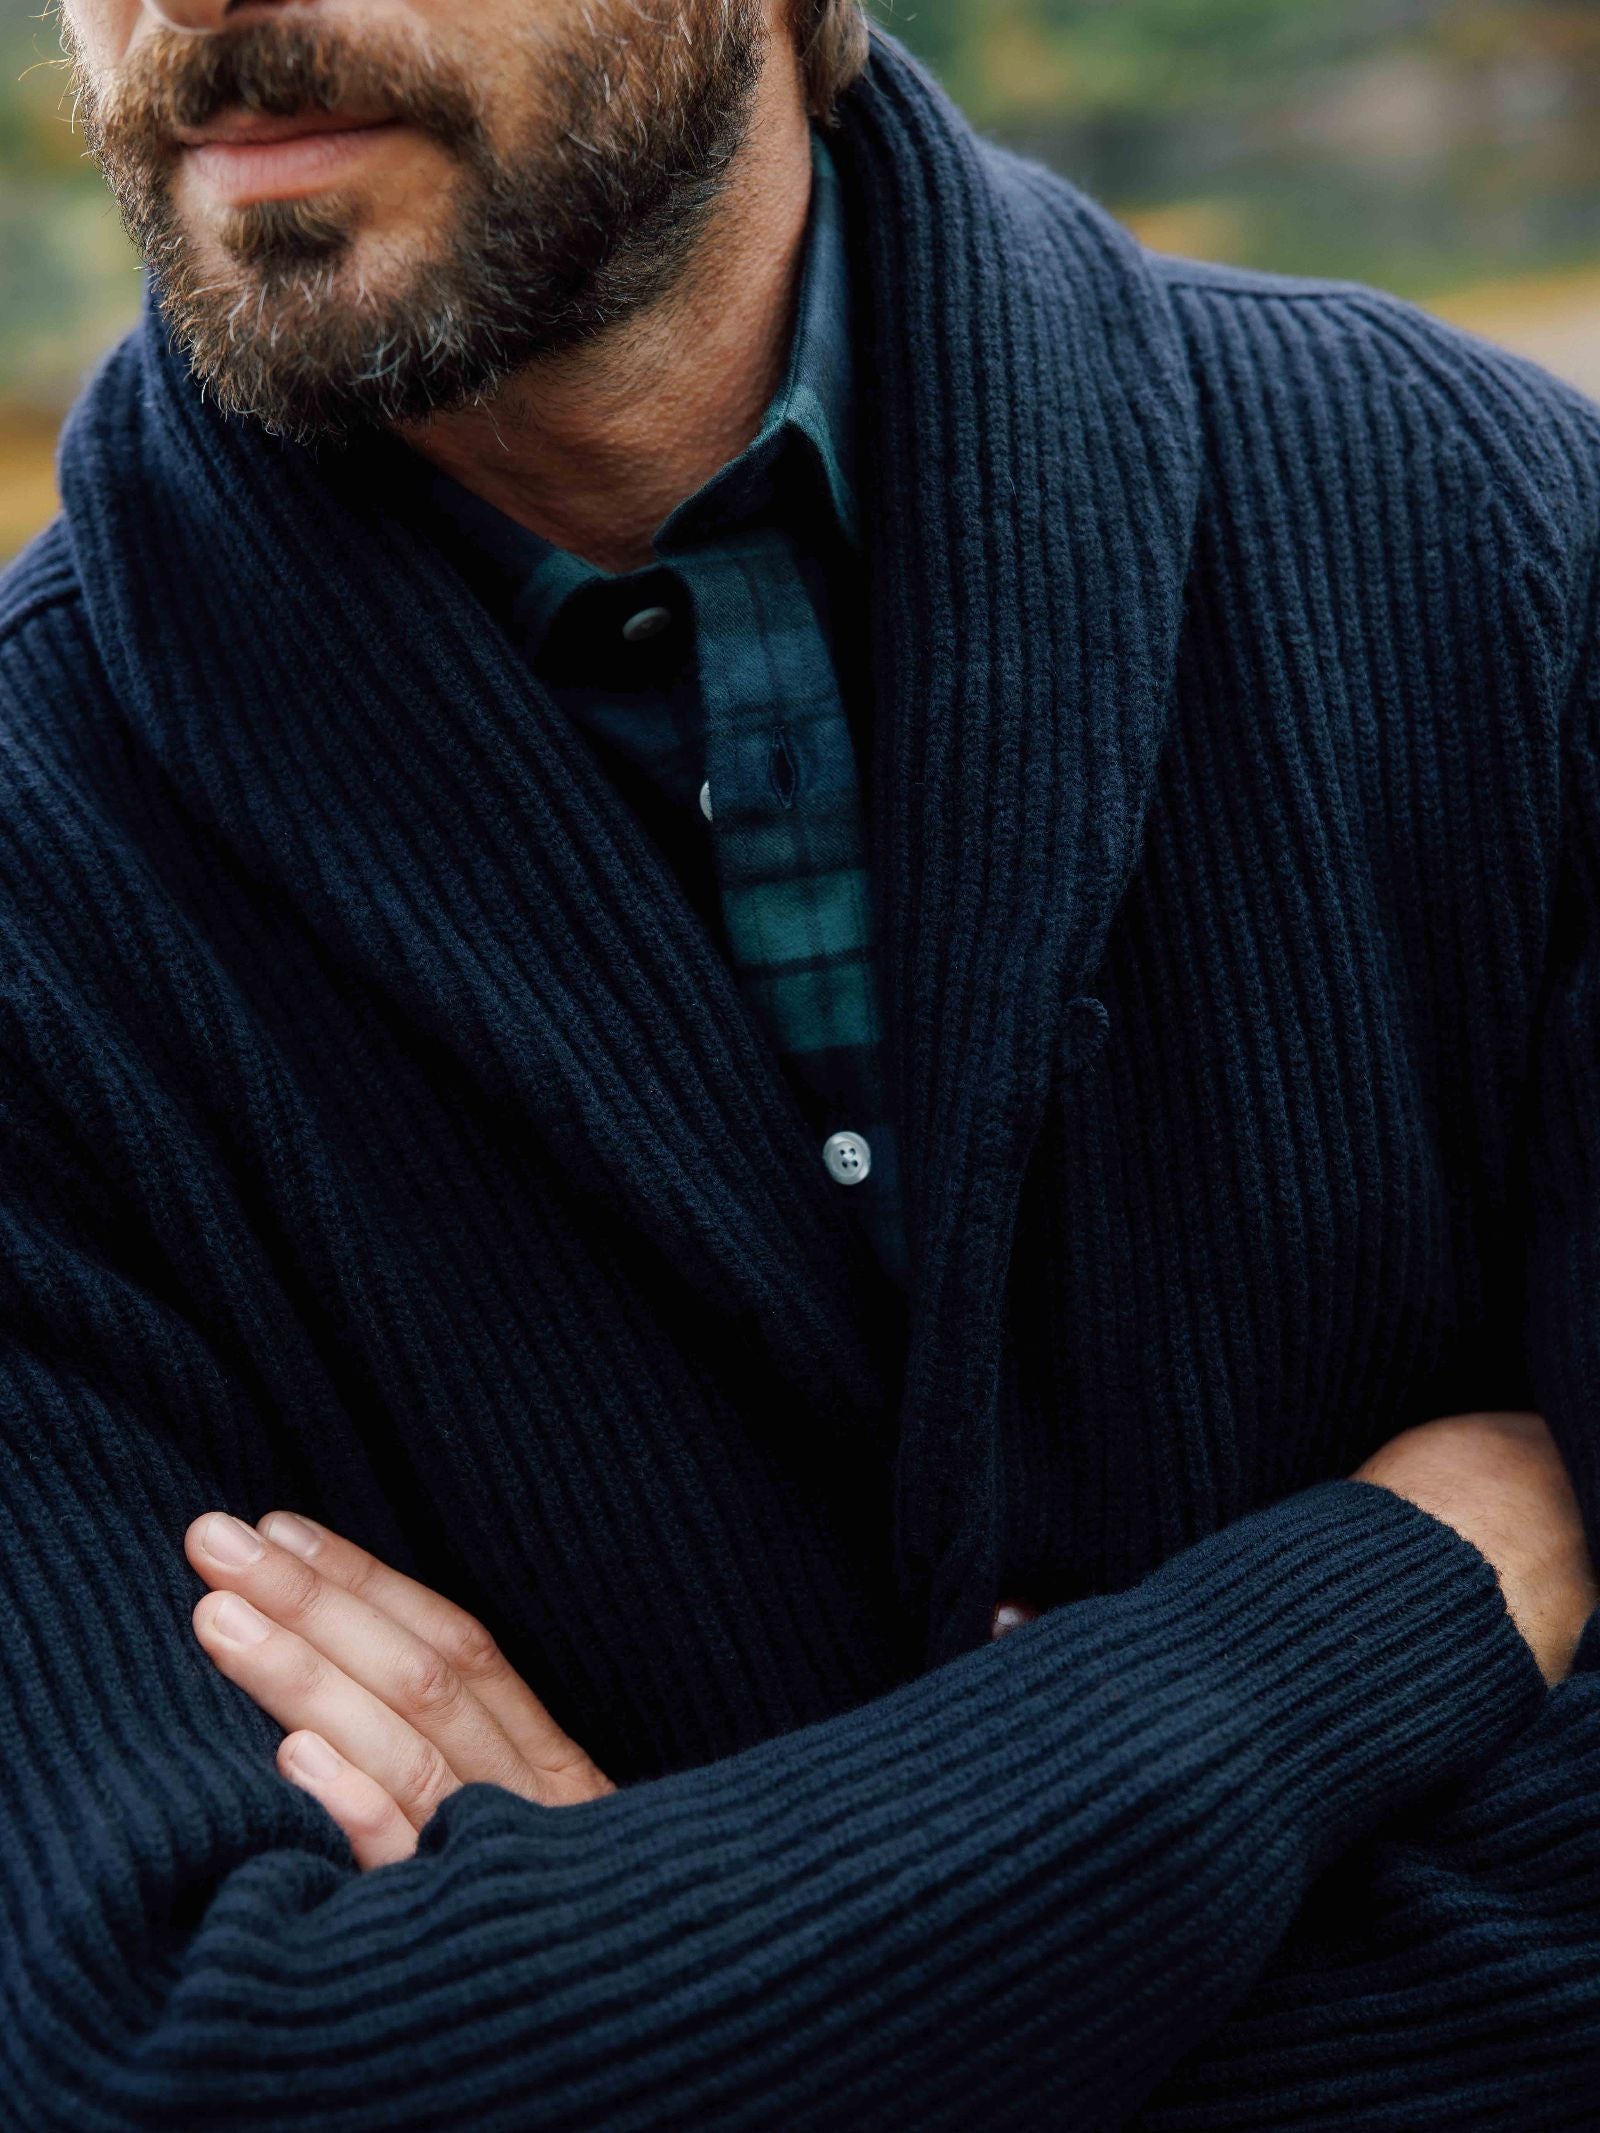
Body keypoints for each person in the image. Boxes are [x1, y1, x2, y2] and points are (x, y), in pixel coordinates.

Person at [3, 1, 1599, 2123]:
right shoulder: (37, 899)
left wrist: (673, 2004)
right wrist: (1366, 1614)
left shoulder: (1489, 556)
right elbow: (194, 2073)